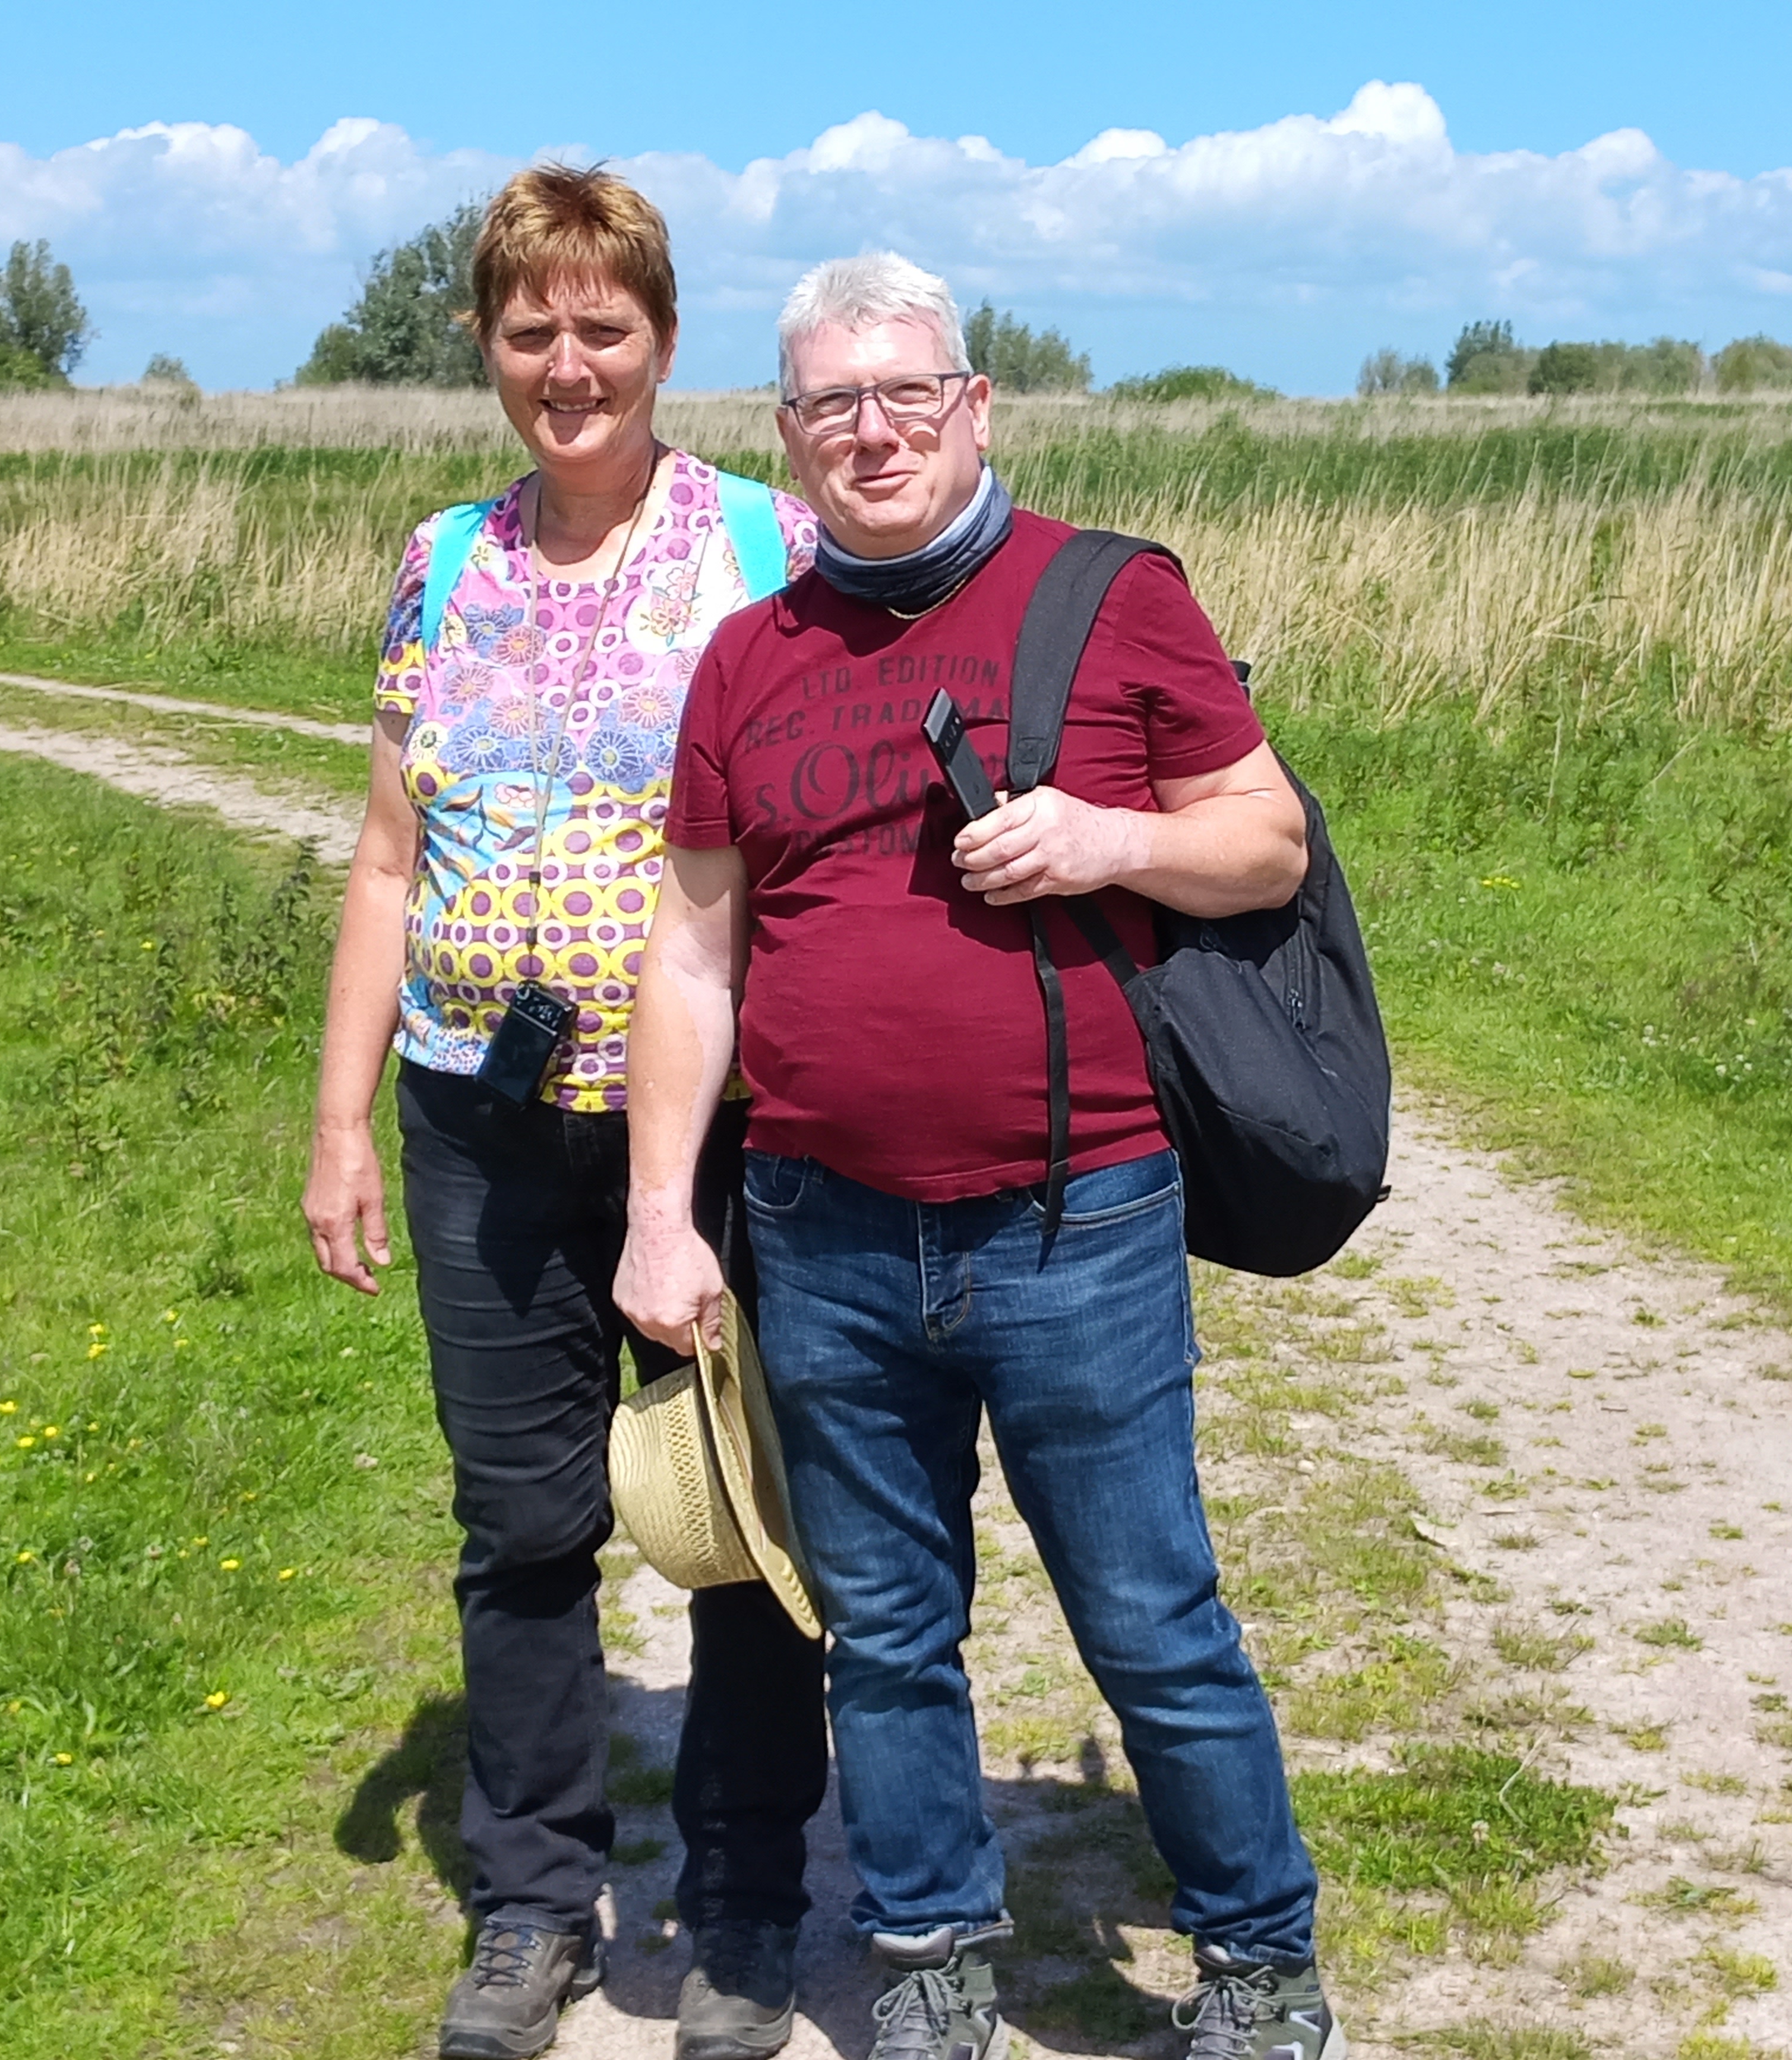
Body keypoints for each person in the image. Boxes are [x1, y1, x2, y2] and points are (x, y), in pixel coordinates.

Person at [617, 251, 1348, 2060]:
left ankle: (1261, 1962)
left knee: (1150, 1615)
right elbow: (692, 957)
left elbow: (1263, 840)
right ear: (788, 429)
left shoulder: (1114, 596)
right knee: (884, 1627)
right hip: (821, 1230)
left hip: (1077, 1219)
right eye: (831, 402)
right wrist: (659, 1214)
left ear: (973, 406)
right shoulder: (747, 658)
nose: (872, 432)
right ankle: (931, 1945)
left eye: (905, 394)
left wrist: (1112, 840)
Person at [299, 165, 827, 2060]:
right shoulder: (443, 560)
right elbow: (387, 855)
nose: (568, 364)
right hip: (482, 1120)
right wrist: (341, 1123)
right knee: (520, 1521)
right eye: (533, 329)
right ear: (488, 344)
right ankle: (532, 1898)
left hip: (724, 1124)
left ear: (664, 342)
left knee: (739, 1510)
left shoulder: (766, 545)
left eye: (604, 326)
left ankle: (746, 1896)